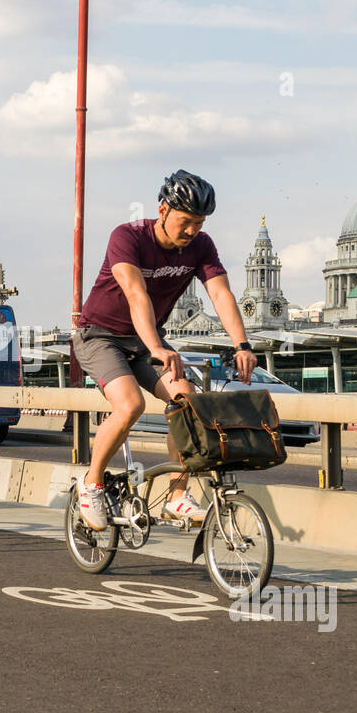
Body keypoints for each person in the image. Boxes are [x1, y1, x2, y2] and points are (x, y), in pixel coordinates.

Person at [71, 169, 257, 531]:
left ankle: (177, 497)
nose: (191, 232)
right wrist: (156, 346)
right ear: (162, 210)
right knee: (131, 405)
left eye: (199, 224)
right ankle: (91, 483)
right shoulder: (127, 237)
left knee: (186, 401)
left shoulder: (201, 246)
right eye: (185, 222)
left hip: (146, 341)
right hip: (100, 335)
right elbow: (135, 293)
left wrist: (242, 345)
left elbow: (220, 293)